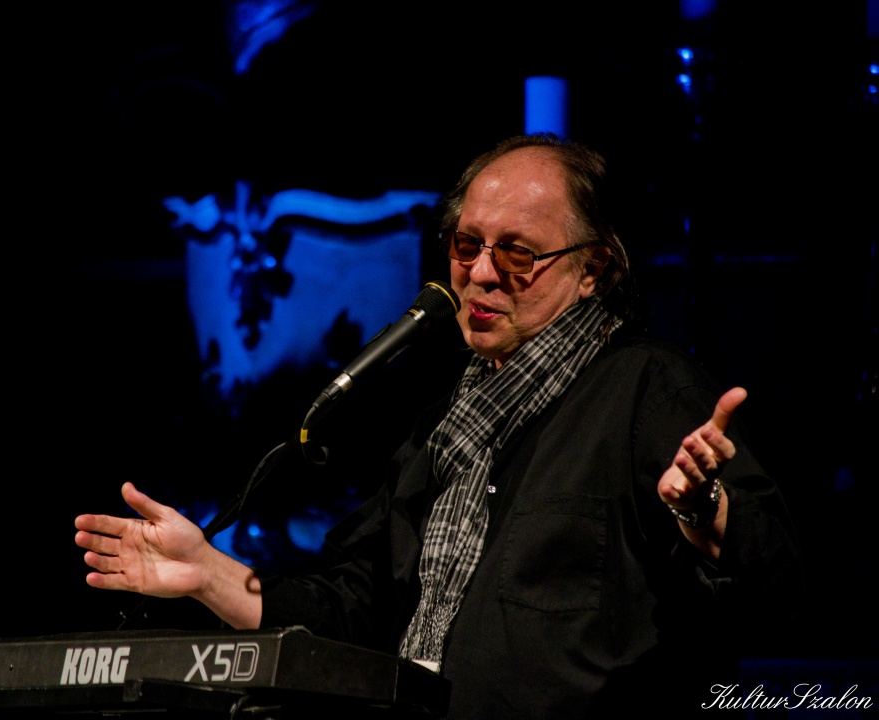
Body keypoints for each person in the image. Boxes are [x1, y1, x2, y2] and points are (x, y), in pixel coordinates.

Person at [74, 133, 803, 718]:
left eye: (517, 252)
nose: (480, 273)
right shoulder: (442, 424)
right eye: (466, 244)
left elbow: (772, 572)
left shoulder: (646, 386)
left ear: (593, 270)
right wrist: (209, 574)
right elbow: (353, 609)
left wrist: (704, 512)